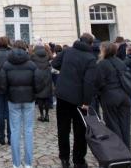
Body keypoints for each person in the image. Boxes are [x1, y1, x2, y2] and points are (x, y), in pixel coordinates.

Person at [51, 33, 97, 168]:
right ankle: (78, 160)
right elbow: (89, 82)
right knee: (80, 130)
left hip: (63, 95)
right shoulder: (90, 58)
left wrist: (66, 71)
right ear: (91, 44)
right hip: (79, 99)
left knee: (63, 128)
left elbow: (54, 63)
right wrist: (87, 102)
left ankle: (64, 158)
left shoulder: (67, 51)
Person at [0, 40, 44, 168]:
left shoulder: (7, 65)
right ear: (25, 49)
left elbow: (1, 84)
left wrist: (6, 93)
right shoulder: (31, 64)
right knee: (28, 131)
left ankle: (16, 164)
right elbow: (39, 82)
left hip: (13, 100)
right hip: (28, 100)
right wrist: (35, 93)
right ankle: (28, 164)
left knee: (15, 131)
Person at [94, 42, 131, 149]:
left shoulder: (102, 64)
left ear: (104, 51)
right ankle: (126, 151)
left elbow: (98, 82)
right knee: (125, 126)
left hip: (110, 97)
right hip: (124, 96)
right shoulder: (120, 62)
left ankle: (119, 153)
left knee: (113, 126)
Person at [31, 44, 53, 123]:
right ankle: (47, 115)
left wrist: (31, 48)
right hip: (47, 76)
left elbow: (29, 56)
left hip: (37, 76)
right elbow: (52, 56)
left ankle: (42, 115)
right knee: (46, 97)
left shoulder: (33, 57)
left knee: (40, 97)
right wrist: (47, 48)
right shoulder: (47, 56)